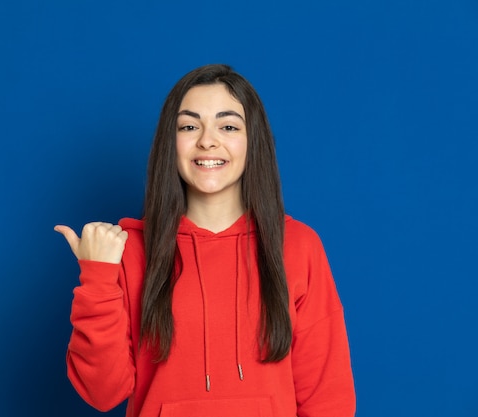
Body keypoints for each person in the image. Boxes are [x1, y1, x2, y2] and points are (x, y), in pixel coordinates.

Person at [54, 64, 356, 417]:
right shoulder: (128, 250)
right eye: (189, 126)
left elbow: (328, 401)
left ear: (252, 141)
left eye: (227, 126)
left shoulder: (298, 246)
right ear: (171, 142)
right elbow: (101, 393)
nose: (207, 140)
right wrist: (97, 281)